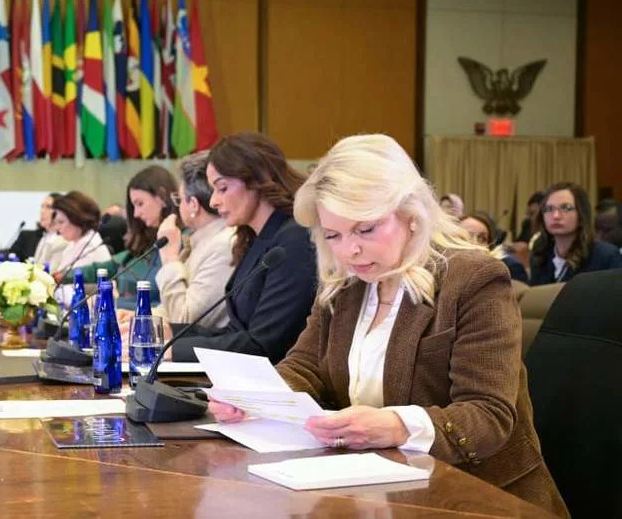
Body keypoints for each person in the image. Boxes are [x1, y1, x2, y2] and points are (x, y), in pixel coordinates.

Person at [209, 134, 568, 517]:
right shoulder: (346, 282)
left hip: (480, 498)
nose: (349, 250)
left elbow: (488, 416)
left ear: (411, 215)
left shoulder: (473, 279)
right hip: (379, 492)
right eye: (333, 235)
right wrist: (255, 398)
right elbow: (306, 366)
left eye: (365, 229)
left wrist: (398, 425)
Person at [168, 132, 317, 364]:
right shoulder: (256, 237)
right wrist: (167, 334)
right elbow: (235, 333)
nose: (214, 201)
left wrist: (172, 350)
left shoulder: (295, 240)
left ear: (257, 179)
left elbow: (263, 344)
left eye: (222, 188)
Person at [61, 166, 178, 311]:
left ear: (162, 197)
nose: (136, 214)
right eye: (133, 206)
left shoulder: (178, 243)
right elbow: (108, 267)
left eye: (140, 204)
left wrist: (115, 305)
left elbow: (169, 306)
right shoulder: (145, 242)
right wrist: (63, 276)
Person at [154, 151, 235, 328]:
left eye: (180, 199)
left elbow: (184, 322)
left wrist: (169, 259)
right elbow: (170, 307)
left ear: (193, 205)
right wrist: (140, 319)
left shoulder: (223, 246)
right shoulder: (201, 240)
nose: (178, 205)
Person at [529, 182, 622, 285]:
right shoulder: (539, 257)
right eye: (549, 209)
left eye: (566, 208)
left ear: (581, 214)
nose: (555, 216)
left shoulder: (605, 256)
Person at [50, 191, 112, 274]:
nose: (57, 228)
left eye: (61, 222)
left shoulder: (90, 247)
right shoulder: (73, 244)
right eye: (56, 222)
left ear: (78, 219)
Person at [461, 211, 528, 283]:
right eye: (466, 236)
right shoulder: (449, 267)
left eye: (482, 238)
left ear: (490, 246)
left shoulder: (510, 268)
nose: (474, 243)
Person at [8, 192, 66, 263]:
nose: (42, 211)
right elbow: (10, 257)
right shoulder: (31, 237)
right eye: (42, 206)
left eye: (48, 207)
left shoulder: (64, 241)